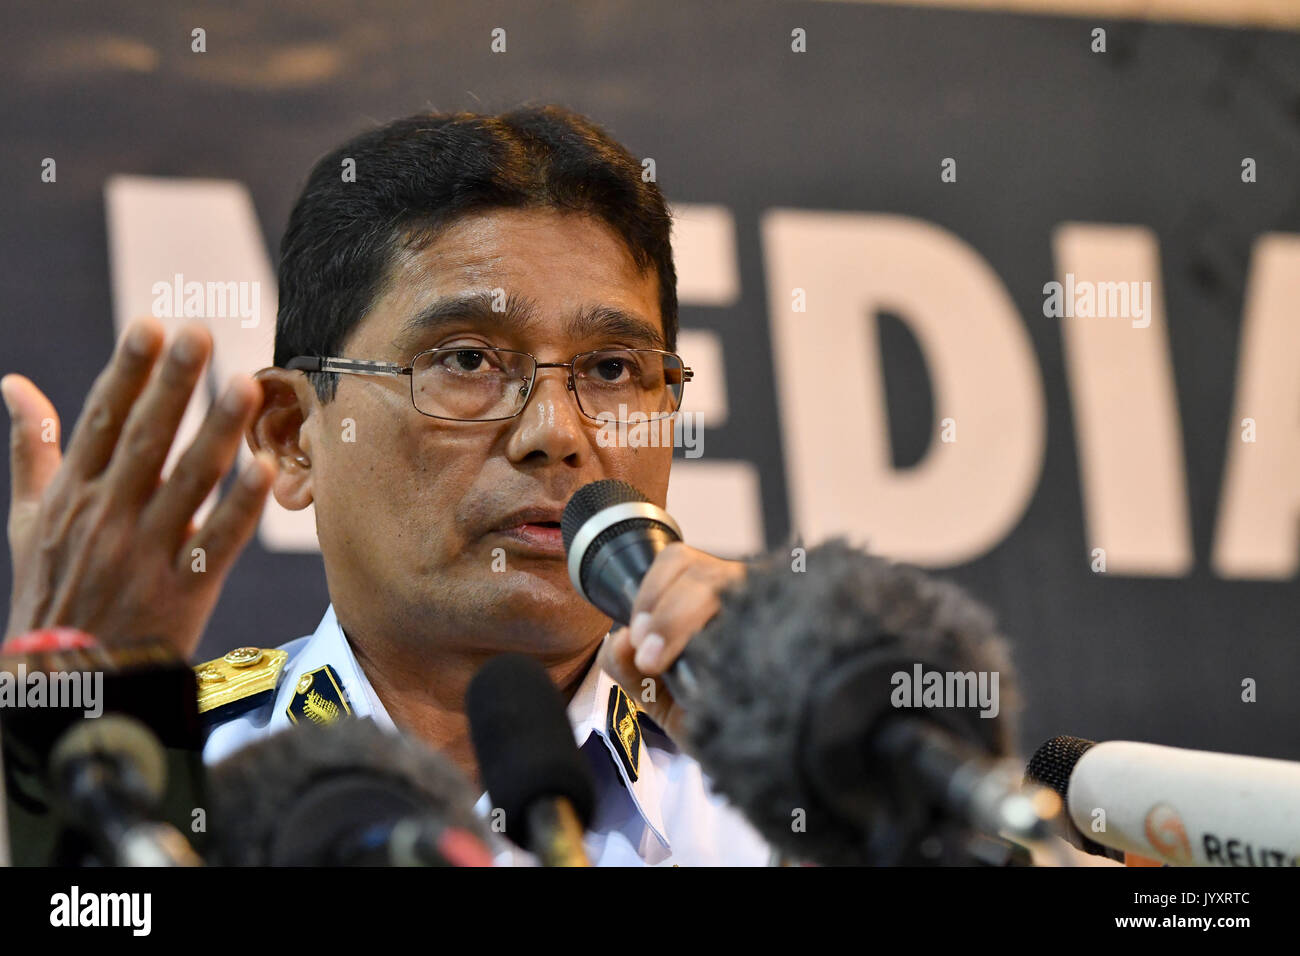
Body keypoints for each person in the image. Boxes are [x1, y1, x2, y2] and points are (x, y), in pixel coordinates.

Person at [2, 105, 772, 865]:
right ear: (291, 437)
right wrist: (54, 751)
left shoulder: (783, 800)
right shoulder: (137, 781)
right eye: (468, 360)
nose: (557, 435)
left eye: (611, 370)